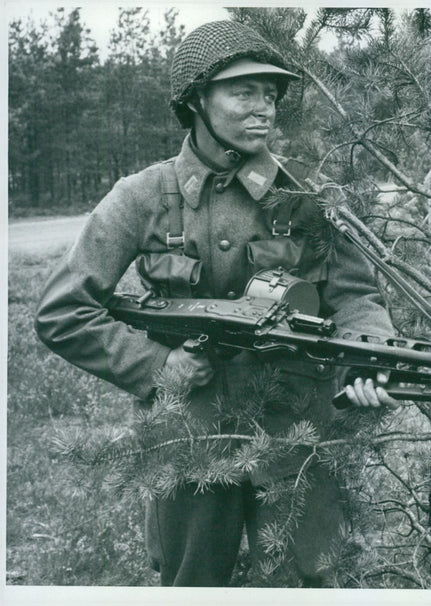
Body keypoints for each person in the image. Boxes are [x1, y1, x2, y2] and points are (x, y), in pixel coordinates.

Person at [35, 19, 398, 587]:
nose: (264, 109)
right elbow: (62, 311)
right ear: (197, 100)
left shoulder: (304, 197)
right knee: (191, 582)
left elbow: (355, 296)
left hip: (296, 432)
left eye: (271, 95)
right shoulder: (142, 197)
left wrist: (369, 359)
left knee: (312, 581)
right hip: (190, 439)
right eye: (243, 91)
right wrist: (157, 366)